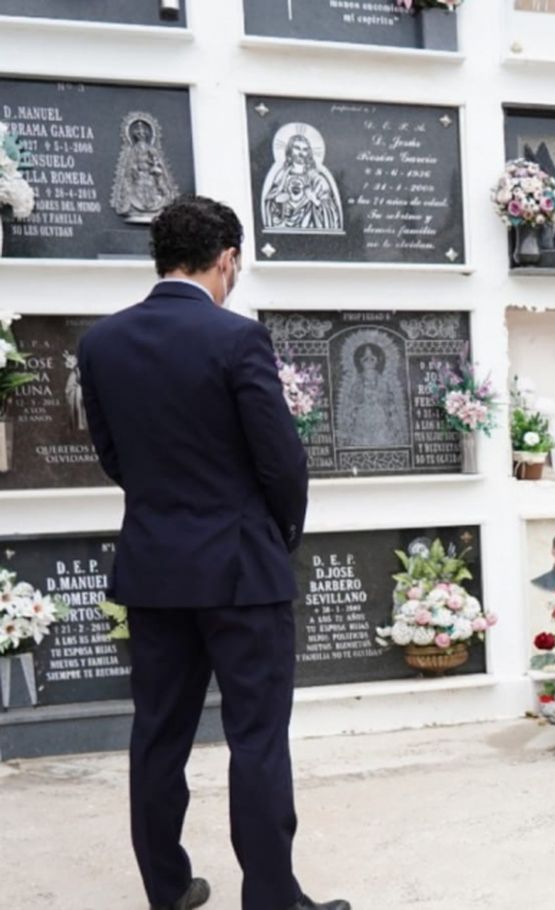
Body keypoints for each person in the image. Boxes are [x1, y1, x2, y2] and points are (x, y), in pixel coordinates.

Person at [78, 196, 348, 910]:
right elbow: (282, 464)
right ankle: (270, 898)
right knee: (256, 737)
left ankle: (167, 888)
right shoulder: (236, 339)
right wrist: (275, 534)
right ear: (226, 258)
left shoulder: (101, 343)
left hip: (154, 566)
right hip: (239, 570)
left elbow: (113, 456)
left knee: (158, 734)